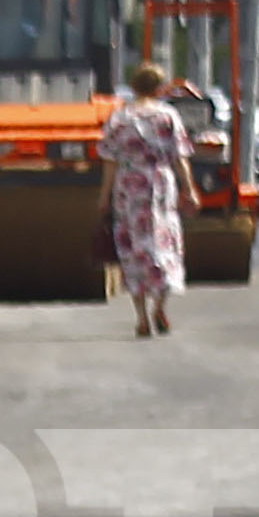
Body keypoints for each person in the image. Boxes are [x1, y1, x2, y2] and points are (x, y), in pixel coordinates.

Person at [103, 58, 192, 339]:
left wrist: (104, 196)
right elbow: (180, 157)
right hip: (160, 185)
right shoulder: (168, 117)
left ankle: (141, 316)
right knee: (163, 244)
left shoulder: (120, 119)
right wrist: (189, 189)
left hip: (129, 188)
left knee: (133, 247)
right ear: (160, 88)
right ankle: (160, 305)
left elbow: (110, 160)